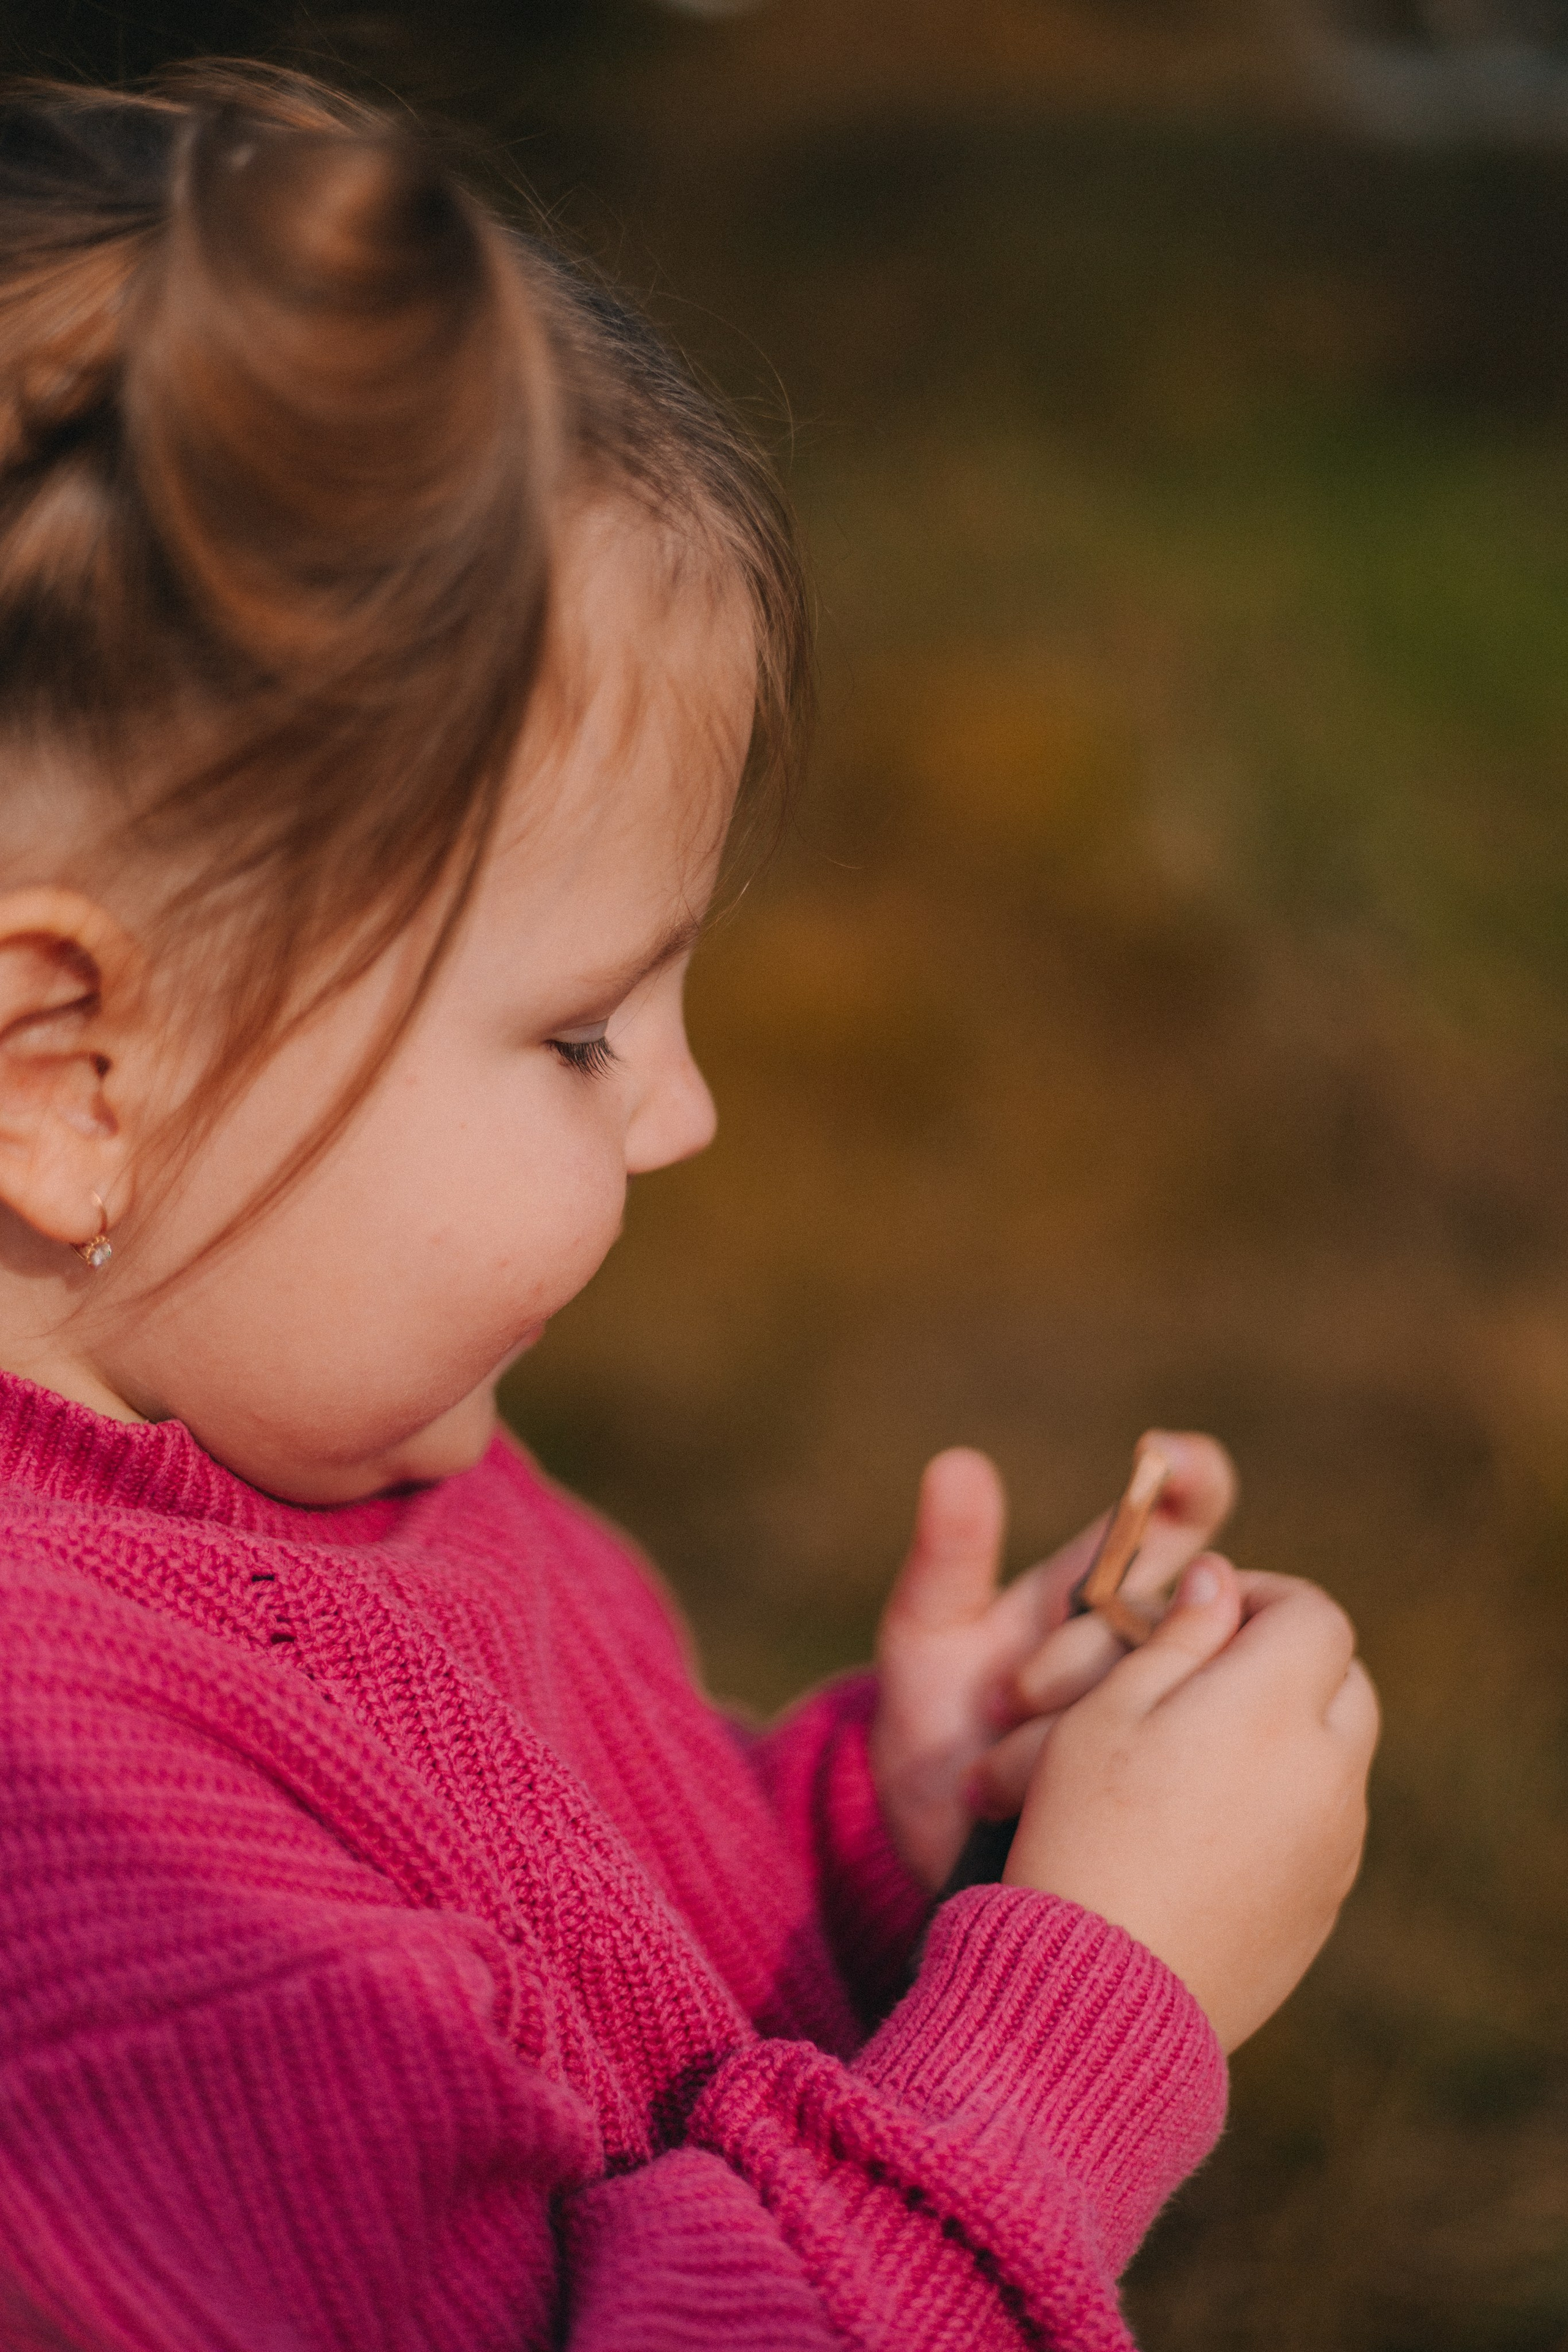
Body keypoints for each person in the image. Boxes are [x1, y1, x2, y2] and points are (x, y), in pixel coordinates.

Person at [0, 64, 1379, 2352]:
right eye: (579, 1033)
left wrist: (893, 1848)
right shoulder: (89, 1895)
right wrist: (1083, 2018)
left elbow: (588, 2004)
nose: (686, 1117)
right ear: (70, 1079)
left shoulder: (318, 1451)